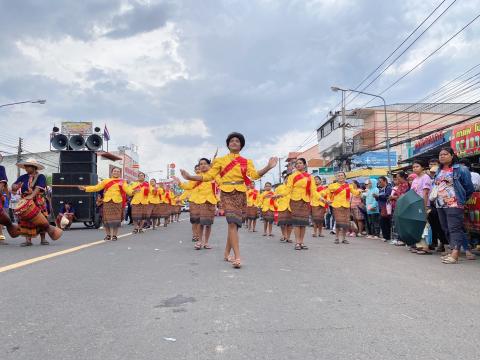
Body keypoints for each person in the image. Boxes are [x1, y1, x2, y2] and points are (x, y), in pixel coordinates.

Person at [180, 132, 277, 268]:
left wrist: (268, 167)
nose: (234, 142)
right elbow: (208, 176)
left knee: (235, 225)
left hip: (240, 194)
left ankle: (226, 253)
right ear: (228, 144)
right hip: (227, 193)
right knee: (232, 223)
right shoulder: (220, 160)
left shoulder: (246, 161)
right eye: (232, 141)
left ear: (241, 145)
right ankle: (237, 257)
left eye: (237, 141)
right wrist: (190, 177)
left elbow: (254, 175)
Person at [433, 147, 475, 264]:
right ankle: (452, 250)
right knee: (445, 228)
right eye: (440, 154)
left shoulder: (461, 169)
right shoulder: (438, 170)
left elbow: (469, 188)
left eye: (445, 154)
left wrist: (460, 201)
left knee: (454, 228)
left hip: (454, 204)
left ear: (452, 156)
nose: (442, 156)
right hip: (440, 204)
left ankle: (455, 255)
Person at [175, 158, 219, 249]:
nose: (202, 165)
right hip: (198, 202)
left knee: (208, 223)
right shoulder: (195, 178)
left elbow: (220, 186)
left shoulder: (214, 176)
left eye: (204, 163)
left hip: (209, 201)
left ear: (209, 165)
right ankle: (199, 241)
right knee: (200, 223)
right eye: (200, 164)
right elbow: (188, 187)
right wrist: (179, 183)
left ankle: (206, 242)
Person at [12, 158, 56, 246]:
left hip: (38, 200)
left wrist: (31, 196)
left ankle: (43, 239)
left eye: (27, 166)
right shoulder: (23, 177)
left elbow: (39, 187)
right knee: (25, 219)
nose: (25, 168)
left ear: (33, 167)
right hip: (25, 201)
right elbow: (13, 186)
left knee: (42, 219)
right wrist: (15, 186)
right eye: (25, 166)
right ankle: (28, 240)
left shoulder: (41, 177)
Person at [80, 167, 130, 241]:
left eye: (118, 171)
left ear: (120, 173)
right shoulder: (106, 181)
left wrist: (133, 192)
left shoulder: (122, 181)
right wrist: (86, 188)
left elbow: (127, 190)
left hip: (117, 202)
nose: (116, 172)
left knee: (115, 220)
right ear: (111, 172)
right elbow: (97, 188)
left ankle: (114, 236)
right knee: (106, 220)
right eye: (114, 171)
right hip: (107, 202)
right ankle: (108, 235)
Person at [277, 158, 315, 250]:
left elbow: (313, 191)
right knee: (297, 223)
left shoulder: (310, 177)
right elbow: (288, 190)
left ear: (305, 165)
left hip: (305, 201)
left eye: (300, 163)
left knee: (303, 223)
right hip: (295, 201)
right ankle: (297, 242)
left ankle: (302, 242)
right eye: (297, 163)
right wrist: (279, 195)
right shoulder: (292, 176)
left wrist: (322, 199)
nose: (298, 165)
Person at [327, 172, 361, 244]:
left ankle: (344, 238)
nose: (340, 177)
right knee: (339, 222)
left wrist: (360, 191)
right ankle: (336, 238)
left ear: (345, 177)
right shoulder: (332, 186)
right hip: (337, 205)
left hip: (346, 205)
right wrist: (328, 199)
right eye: (338, 176)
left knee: (345, 222)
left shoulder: (349, 186)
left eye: (342, 175)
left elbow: (355, 192)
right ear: (337, 177)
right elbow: (328, 193)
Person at [410, 159, 433, 255]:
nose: (415, 169)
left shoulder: (426, 178)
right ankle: (419, 245)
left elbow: (426, 193)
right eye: (413, 167)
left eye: (417, 166)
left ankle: (426, 247)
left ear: (423, 167)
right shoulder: (415, 179)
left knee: (424, 226)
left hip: (424, 205)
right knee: (418, 226)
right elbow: (412, 193)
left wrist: (424, 207)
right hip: (415, 205)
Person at [389, 171, 409, 246]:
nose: (397, 179)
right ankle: (399, 239)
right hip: (397, 206)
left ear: (402, 177)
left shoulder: (406, 185)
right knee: (397, 223)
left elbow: (403, 196)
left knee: (401, 223)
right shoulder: (400, 185)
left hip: (403, 206)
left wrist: (393, 197)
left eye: (398, 177)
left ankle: (402, 239)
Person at [275, 175, 293, 243]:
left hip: (290, 207)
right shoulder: (279, 188)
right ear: (284, 179)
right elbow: (275, 198)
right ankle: (284, 235)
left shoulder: (292, 188)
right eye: (287, 179)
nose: (288, 180)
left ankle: (288, 237)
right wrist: (278, 204)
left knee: (290, 223)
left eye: (289, 179)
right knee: (282, 223)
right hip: (282, 207)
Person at [375, 176, 392, 242]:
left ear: (385, 181)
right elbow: (378, 199)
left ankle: (387, 237)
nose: (379, 183)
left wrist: (378, 196)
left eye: (380, 181)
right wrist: (376, 197)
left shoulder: (388, 188)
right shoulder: (381, 189)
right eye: (378, 182)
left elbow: (387, 196)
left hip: (386, 207)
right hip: (381, 207)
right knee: (383, 222)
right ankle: (385, 236)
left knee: (386, 222)